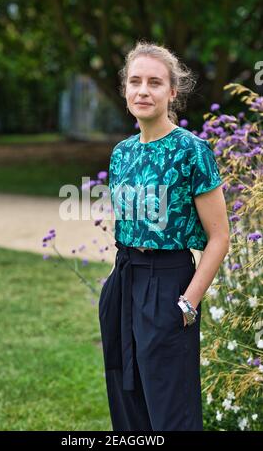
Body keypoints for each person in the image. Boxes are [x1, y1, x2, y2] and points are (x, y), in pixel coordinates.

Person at [98, 40, 230, 431]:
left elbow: (219, 236)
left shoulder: (193, 151)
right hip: (124, 279)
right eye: (135, 81)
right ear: (125, 90)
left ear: (172, 92)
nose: (143, 90)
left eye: (154, 82)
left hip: (170, 283)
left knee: (170, 410)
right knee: (127, 402)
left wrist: (188, 303)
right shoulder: (121, 153)